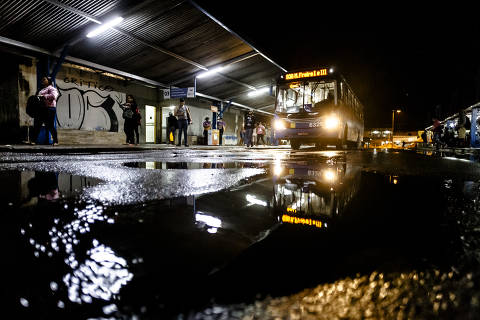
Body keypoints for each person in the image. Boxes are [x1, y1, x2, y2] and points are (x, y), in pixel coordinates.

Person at [32, 76, 59, 145]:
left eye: (44, 79)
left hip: (49, 108)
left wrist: (43, 96)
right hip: (42, 109)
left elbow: (54, 96)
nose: (43, 80)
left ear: (49, 81)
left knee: (50, 125)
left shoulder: (52, 88)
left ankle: (55, 141)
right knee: (38, 125)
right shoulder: (41, 89)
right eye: (42, 79)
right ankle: (33, 140)